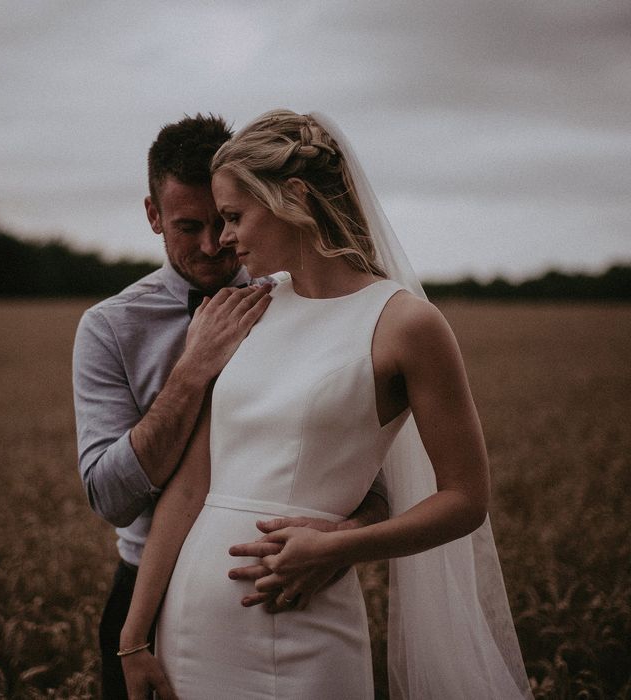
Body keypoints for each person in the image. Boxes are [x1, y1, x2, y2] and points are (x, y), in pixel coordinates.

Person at [118, 109, 532, 699]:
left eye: (235, 216)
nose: (224, 239)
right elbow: (189, 487)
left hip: (309, 619)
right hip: (191, 626)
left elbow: (465, 499)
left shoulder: (406, 323)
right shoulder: (247, 309)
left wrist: (338, 546)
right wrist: (135, 637)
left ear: (293, 198)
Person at [72, 114, 390, 699]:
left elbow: (380, 484)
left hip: (287, 587)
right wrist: (191, 372)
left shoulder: (299, 301)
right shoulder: (110, 328)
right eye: (187, 226)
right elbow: (111, 498)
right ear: (152, 215)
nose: (212, 243)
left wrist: (336, 542)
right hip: (147, 587)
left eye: (226, 220)